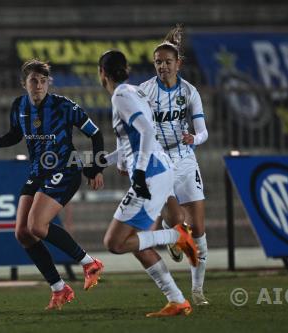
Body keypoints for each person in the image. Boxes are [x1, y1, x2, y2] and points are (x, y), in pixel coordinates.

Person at [0, 59, 105, 310]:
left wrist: (95, 168)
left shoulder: (63, 106)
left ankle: (89, 263)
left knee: (37, 225)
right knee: (22, 232)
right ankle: (59, 289)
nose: (39, 85)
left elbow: (95, 133)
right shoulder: (19, 106)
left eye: (43, 81)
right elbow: (15, 135)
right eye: (34, 80)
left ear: (49, 83)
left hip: (65, 169)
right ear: (24, 83)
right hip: (38, 171)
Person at [96, 49, 198, 317]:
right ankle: (177, 301)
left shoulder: (120, 95)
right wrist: (100, 161)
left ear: (102, 73)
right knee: (138, 242)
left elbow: (146, 131)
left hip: (150, 174)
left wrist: (138, 172)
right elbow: (135, 140)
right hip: (158, 171)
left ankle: (177, 235)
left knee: (115, 243)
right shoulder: (134, 92)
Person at [139, 25, 209, 306]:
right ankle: (173, 236)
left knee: (199, 232)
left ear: (178, 64)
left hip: (185, 159)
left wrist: (194, 137)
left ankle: (197, 291)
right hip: (159, 162)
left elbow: (203, 132)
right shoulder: (145, 92)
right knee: (176, 220)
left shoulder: (190, 92)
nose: (163, 66)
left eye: (168, 62)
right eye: (158, 62)